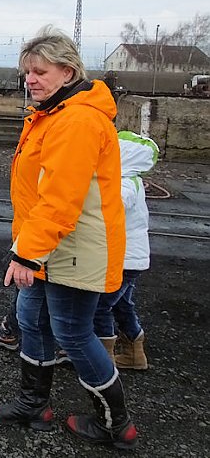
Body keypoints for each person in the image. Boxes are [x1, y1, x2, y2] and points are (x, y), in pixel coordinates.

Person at [0, 27, 137, 450]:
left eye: (40, 71)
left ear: (67, 72)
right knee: (32, 319)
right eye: (27, 72)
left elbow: (61, 198)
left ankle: (115, 424)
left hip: (73, 246)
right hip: (49, 244)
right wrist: (30, 249)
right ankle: (34, 404)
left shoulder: (77, 120)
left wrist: (26, 255)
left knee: (71, 333)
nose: (30, 79)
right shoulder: (53, 114)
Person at [94, 131, 158, 370]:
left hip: (121, 258)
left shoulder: (121, 182)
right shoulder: (131, 178)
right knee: (122, 305)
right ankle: (134, 352)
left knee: (99, 306)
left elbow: (107, 210)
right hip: (132, 259)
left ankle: (101, 362)